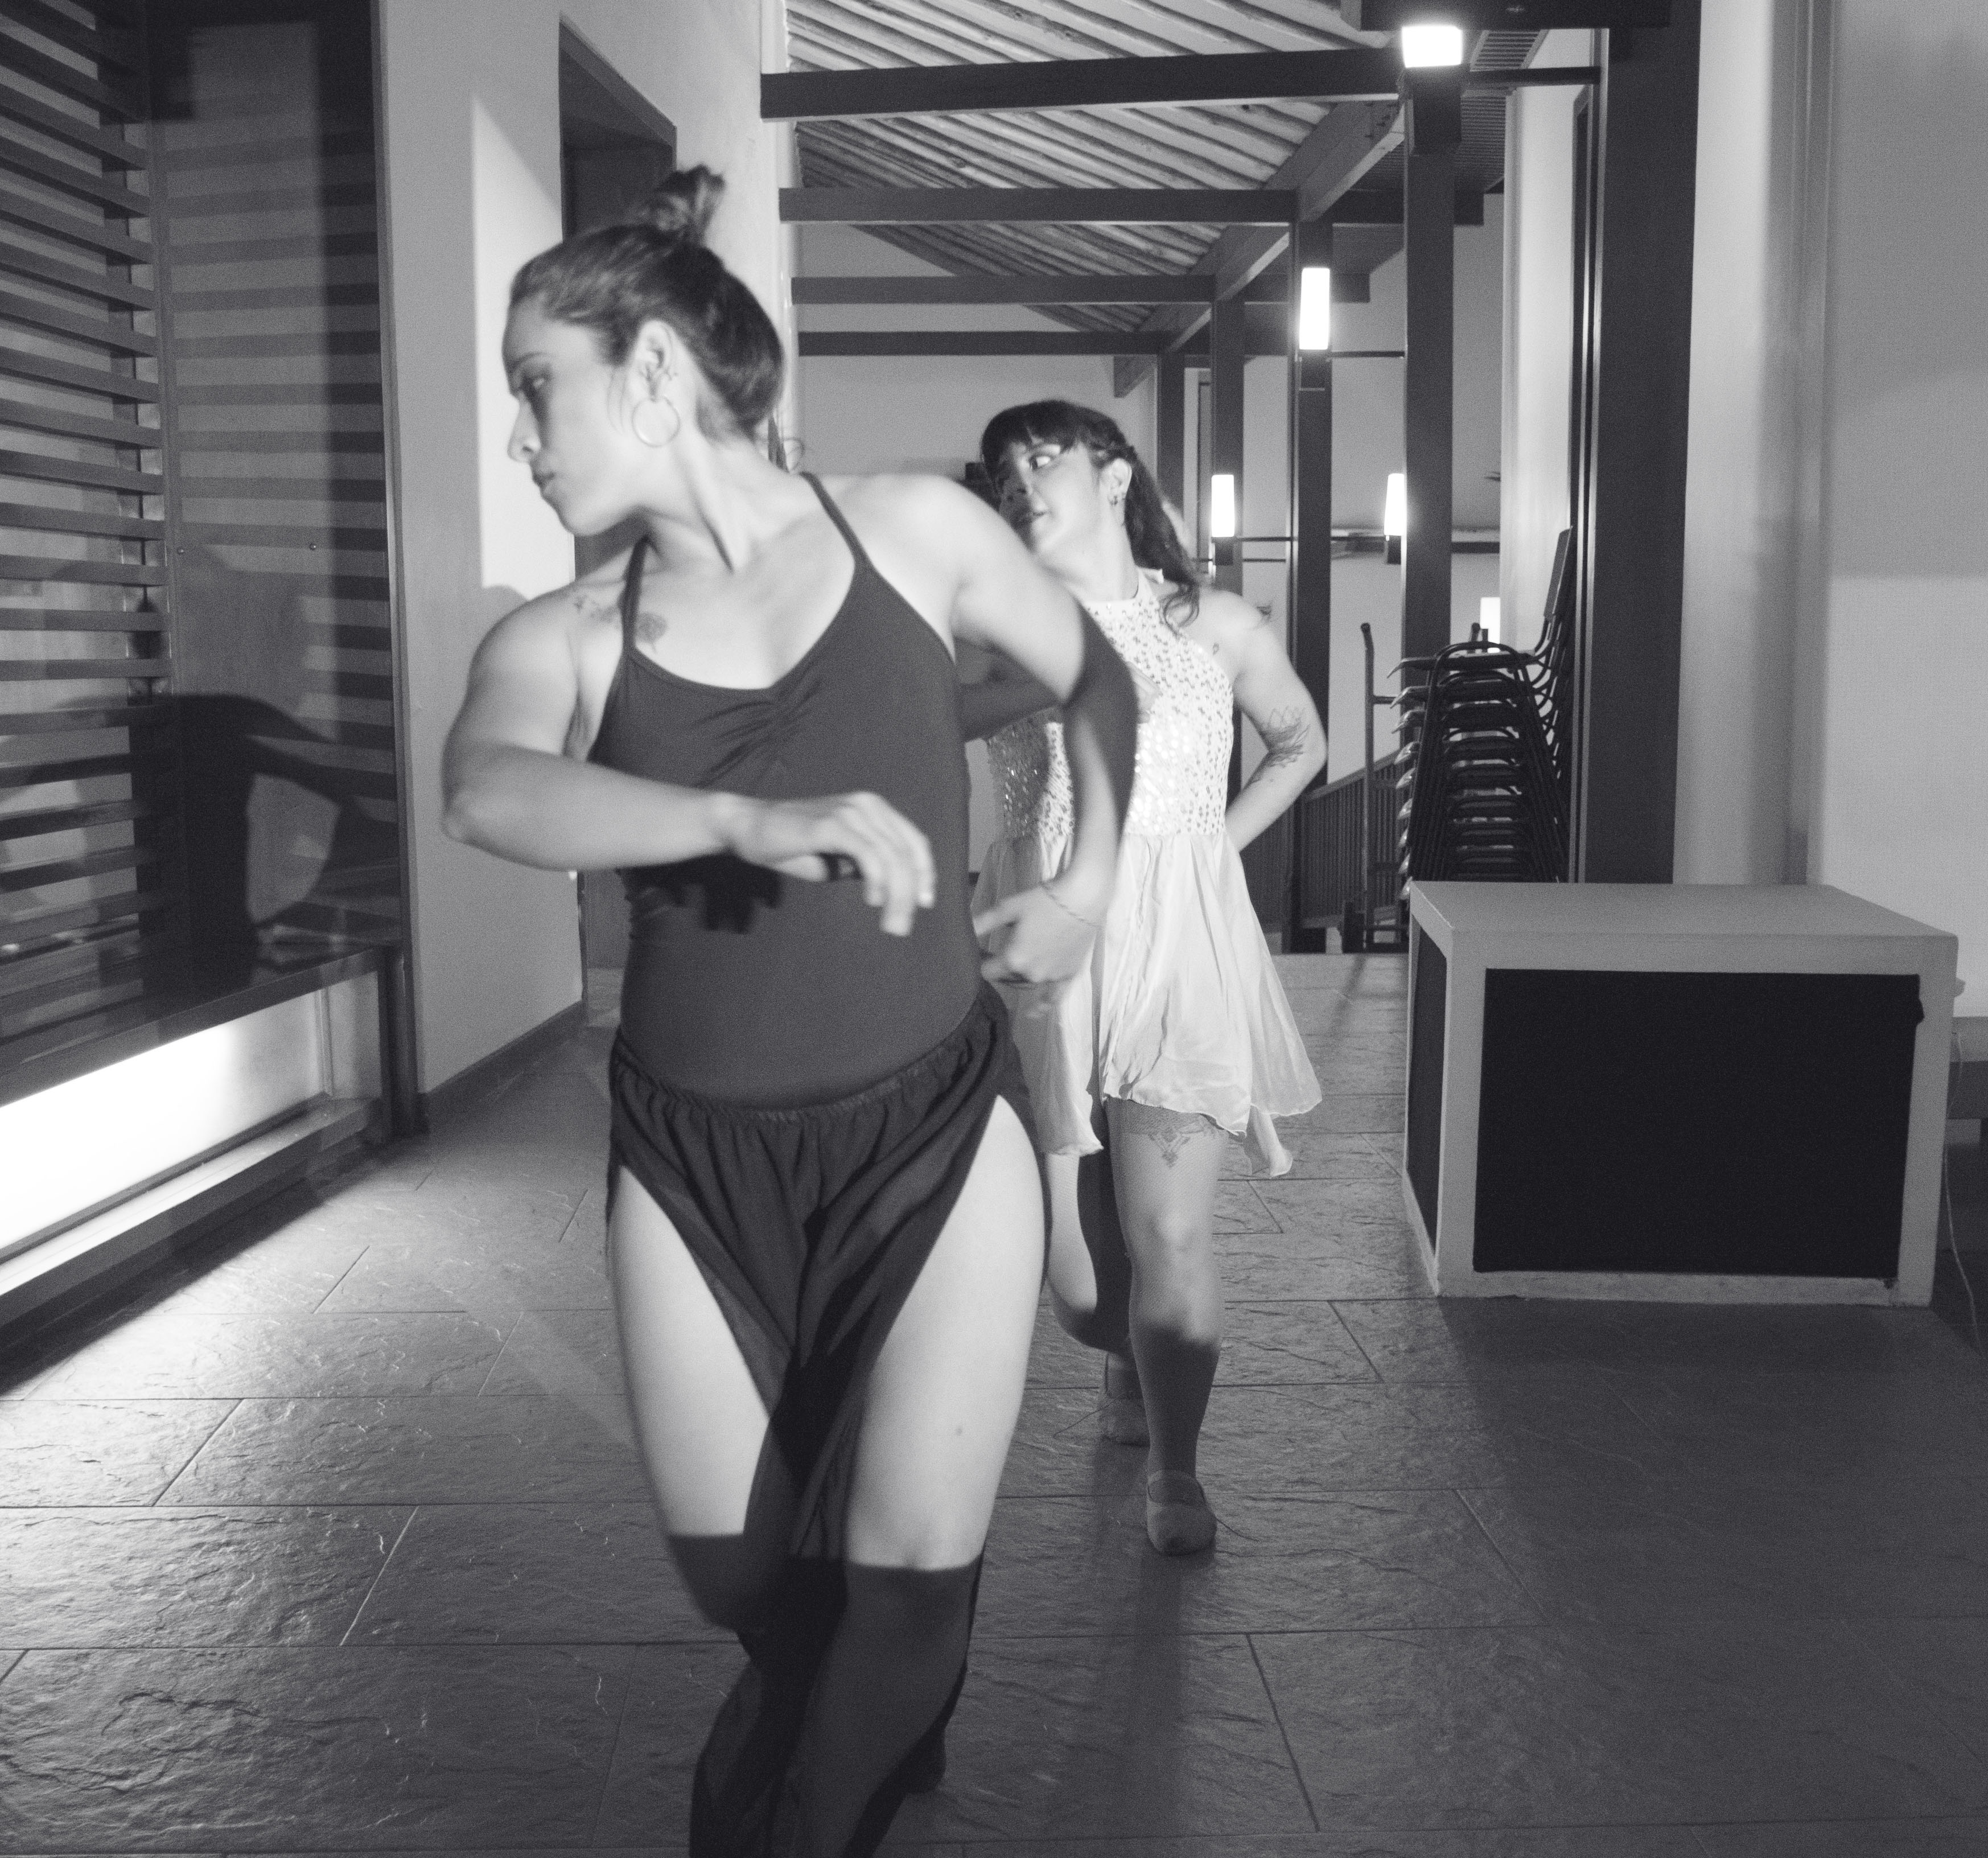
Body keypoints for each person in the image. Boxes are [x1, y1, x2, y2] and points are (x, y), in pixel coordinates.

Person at [439, 172, 1138, 1857]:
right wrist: (737, 819)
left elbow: (1097, 673)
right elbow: (487, 791)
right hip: (693, 1157)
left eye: (536, 387)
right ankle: (854, 1676)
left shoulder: (912, 533)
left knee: (907, 1576)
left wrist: (1089, 878)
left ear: (653, 374)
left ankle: (840, 1771)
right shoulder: (567, 634)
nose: (519, 437)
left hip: (929, 1126)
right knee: (738, 1575)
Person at [962, 400, 1323, 1556]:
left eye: (1044, 456)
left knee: (1168, 1232)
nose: (1020, 479)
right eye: (1004, 468)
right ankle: (1120, 1355)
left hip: (1178, 947)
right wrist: (1050, 673)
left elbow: (1303, 744)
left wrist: (1212, 849)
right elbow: (927, 720)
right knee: (1081, 1289)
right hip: (1046, 960)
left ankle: (1177, 1463)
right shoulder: (991, 628)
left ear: (1116, 477)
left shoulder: (1213, 623)